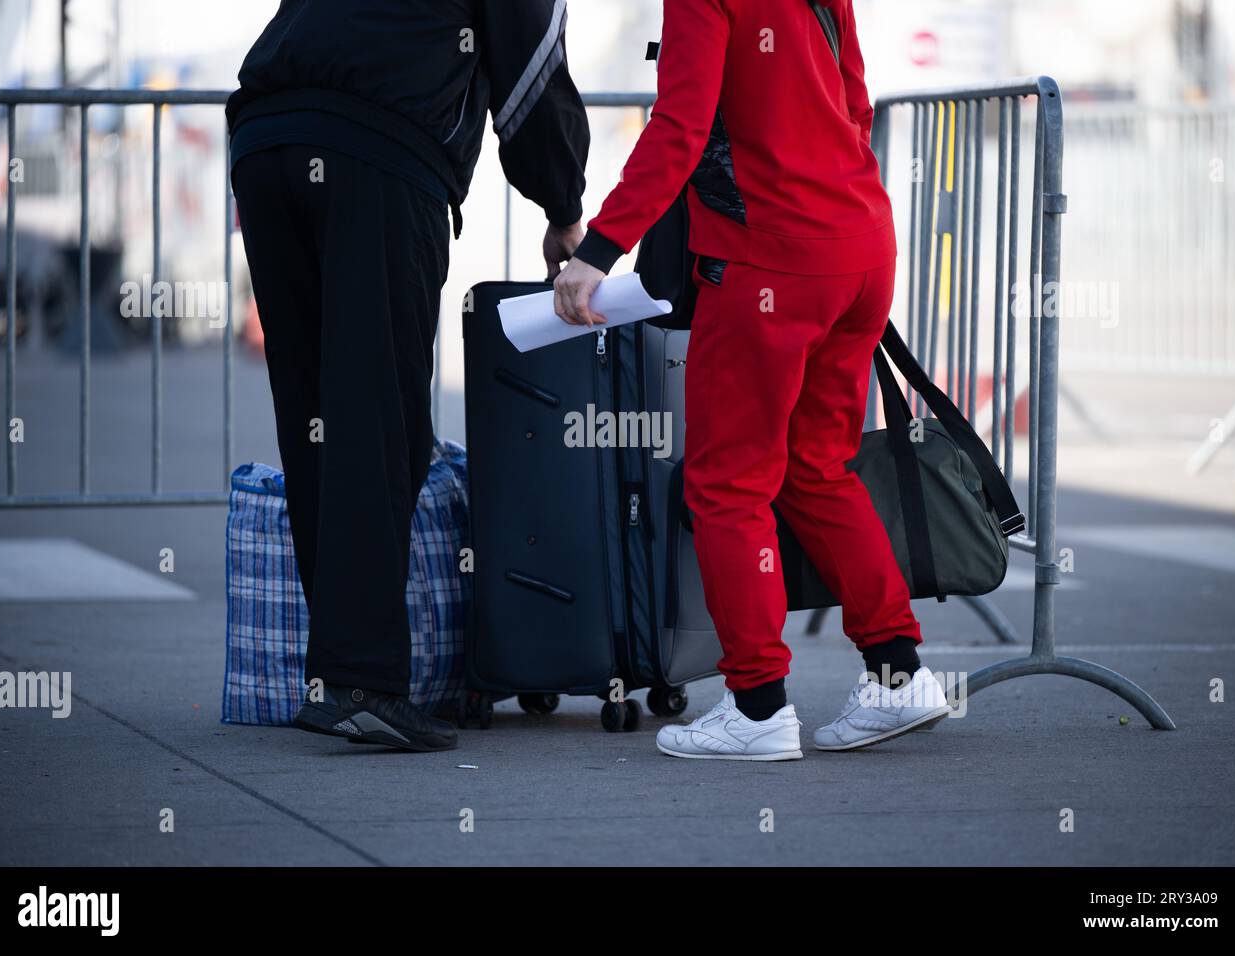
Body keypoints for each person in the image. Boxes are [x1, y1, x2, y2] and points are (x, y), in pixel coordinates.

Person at [554, 0, 950, 760]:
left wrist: (599, 249)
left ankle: (759, 707)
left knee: (728, 483)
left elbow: (679, 128)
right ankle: (899, 677)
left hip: (769, 262)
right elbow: (855, 105)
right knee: (818, 468)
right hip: (861, 247)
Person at [228, 0, 590, 752]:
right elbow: (531, 73)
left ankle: (341, 673)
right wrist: (564, 204)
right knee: (377, 418)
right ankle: (363, 682)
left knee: (315, 417)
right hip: (377, 152)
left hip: (267, 139)